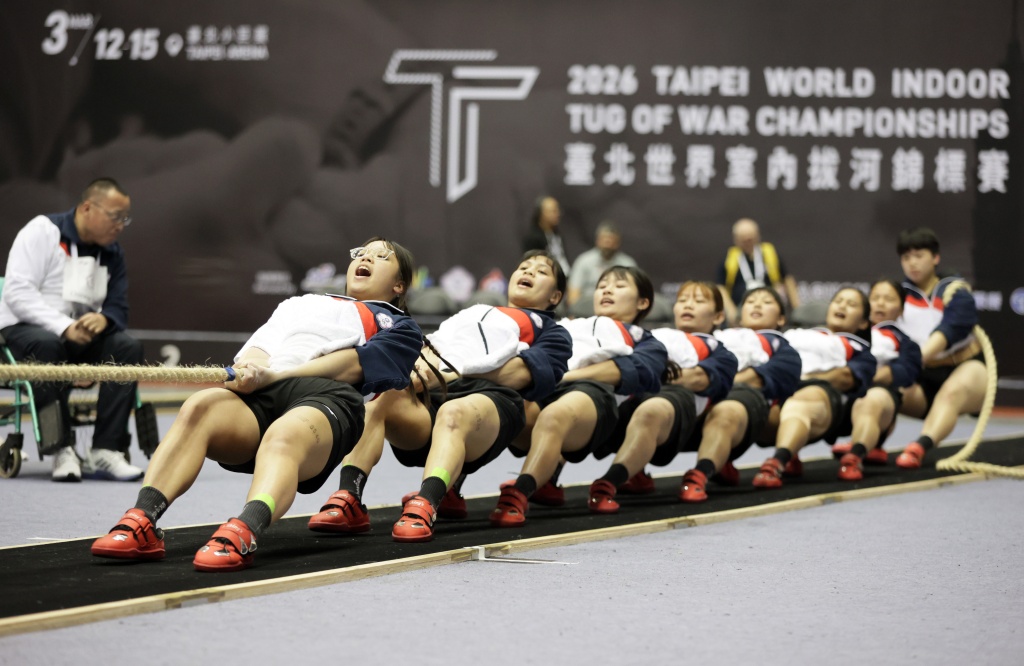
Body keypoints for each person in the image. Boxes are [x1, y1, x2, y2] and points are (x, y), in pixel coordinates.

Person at [90, 237, 423, 572]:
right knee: (200, 406)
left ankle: (245, 528)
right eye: (361, 253)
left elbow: (352, 365)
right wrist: (249, 370)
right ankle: (142, 520)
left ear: (399, 284)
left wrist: (278, 375)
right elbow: (261, 347)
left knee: (284, 435)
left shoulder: (401, 327)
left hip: (329, 396)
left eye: (381, 256)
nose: (366, 258)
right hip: (265, 389)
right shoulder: (301, 303)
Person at [490, 265, 669, 526]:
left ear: (643, 302)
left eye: (619, 286)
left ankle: (519, 493)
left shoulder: (647, 342)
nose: (607, 290)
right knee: (498, 404)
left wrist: (566, 376)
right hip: (548, 391)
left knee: (555, 415)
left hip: (597, 405)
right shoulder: (565, 326)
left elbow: (630, 371)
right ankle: (450, 489)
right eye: (602, 286)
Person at [0, 177, 145, 482]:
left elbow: (118, 307)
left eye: (125, 219)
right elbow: (17, 293)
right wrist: (64, 326)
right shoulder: (42, 231)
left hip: (79, 336)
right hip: (25, 330)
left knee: (127, 347)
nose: (120, 226)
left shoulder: (112, 252)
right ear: (87, 208)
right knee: (47, 344)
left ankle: (106, 449)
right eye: (115, 216)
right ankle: (61, 448)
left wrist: (104, 320)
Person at [585, 280, 737, 513]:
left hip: (682, 417)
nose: (688, 305)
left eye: (698, 301)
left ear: (718, 316)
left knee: (652, 409)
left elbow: (697, 379)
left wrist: (644, 372)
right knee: (585, 403)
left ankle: (607, 484)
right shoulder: (651, 336)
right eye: (682, 300)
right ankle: (547, 479)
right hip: (633, 398)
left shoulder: (721, 352)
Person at [677, 286, 802, 501]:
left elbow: (754, 380)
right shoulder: (719, 339)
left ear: (781, 319)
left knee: (728, 410)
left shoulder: (784, 349)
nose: (757, 304)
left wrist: (709, 381)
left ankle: (701, 474)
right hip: (709, 398)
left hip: (761, 413)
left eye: (766, 302)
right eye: (750, 301)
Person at [752, 287, 876, 488]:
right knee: (747, 406)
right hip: (780, 396)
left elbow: (844, 378)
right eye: (838, 301)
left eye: (851, 304)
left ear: (863, 322)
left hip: (825, 406)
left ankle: (777, 463)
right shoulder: (798, 335)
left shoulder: (859, 350)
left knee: (798, 403)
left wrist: (798, 377)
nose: (842, 306)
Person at [892, 228, 988, 469]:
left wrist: (916, 359)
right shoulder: (896, 296)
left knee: (951, 394)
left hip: (964, 367)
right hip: (922, 377)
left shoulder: (955, 290)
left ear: (935, 258)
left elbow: (950, 329)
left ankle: (919, 447)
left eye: (919, 255)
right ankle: (868, 445)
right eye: (906, 257)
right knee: (885, 389)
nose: (912, 263)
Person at [832, 279, 922, 481]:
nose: (880, 303)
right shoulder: (841, 333)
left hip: (875, 400)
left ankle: (854, 457)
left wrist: (863, 375)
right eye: (875, 298)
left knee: (871, 399)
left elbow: (906, 374)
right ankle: (787, 457)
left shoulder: (905, 343)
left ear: (901, 309)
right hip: (836, 395)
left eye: (888, 299)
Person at [715, 218, 800, 325]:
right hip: (740, 309)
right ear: (736, 240)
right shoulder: (729, 258)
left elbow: (787, 280)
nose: (748, 243)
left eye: (750, 239)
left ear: (757, 236)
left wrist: (797, 308)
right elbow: (721, 287)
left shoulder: (770, 254)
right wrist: (731, 310)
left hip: (768, 306)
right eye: (744, 240)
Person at [565, 221, 637, 308]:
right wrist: (575, 310)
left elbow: (634, 293)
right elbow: (573, 293)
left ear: (618, 243)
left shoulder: (627, 264)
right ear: (597, 241)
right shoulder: (584, 261)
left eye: (611, 239)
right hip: (587, 308)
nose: (607, 243)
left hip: (618, 307)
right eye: (604, 239)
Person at [522, 196, 571, 276]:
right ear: (541, 213)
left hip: (565, 274)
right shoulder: (533, 238)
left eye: (558, 210)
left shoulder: (557, 234)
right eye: (553, 211)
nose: (558, 214)